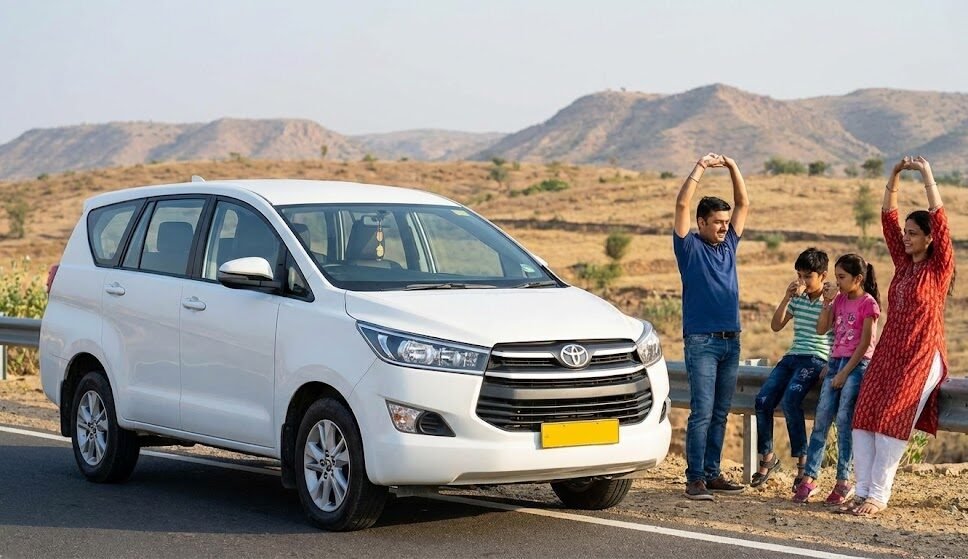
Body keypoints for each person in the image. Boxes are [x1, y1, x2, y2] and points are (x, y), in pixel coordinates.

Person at [846, 156, 955, 517]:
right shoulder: (904, 264)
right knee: (865, 413)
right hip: (890, 350)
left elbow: (941, 220)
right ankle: (861, 490)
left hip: (922, 353)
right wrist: (893, 175)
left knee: (892, 417)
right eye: (906, 232)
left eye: (913, 233)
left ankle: (879, 495)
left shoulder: (938, 269)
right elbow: (887, 220)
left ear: (929, 238)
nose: (905, 237)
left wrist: (926, 173)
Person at [673, 152, 750, 501]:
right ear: (701, 222)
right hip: (701, 341)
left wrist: (732, 166)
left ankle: (712, 473)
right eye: (717, 222)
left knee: (720, 413)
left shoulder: (729, 244)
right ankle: (694, 479)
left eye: (725, 221)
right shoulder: (688, 247)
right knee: (702, 412)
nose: (723, 227)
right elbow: (681, 204)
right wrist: (701, 167)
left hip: (731, 340)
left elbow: (743, 203)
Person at [793, 254, 880, 505]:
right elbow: (822, 329)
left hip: (856, 365)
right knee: (821, 420)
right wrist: (827, 303)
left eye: (842, 277)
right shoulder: (839, 300)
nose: (837, 282)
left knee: (843, 421)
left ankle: (843, 480)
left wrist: (844, 373)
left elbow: (865, 344)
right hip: (836, 362)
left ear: (858, 278)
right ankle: (810, 477)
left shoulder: (868, 304)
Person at [751, 248, 831, 489]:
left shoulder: (832, 302)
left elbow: (839, 336)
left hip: (815, 359)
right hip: (792, 357)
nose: (802, 281)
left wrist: (831, 362)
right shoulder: (798, 298)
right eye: (799, 275)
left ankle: (802, 465)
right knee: (762, 400)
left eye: (808, 276)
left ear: (823, 276)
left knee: (790, 400)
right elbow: (776, 326)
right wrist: (786, 298)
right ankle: (768, 458)